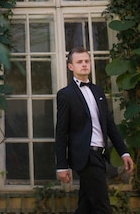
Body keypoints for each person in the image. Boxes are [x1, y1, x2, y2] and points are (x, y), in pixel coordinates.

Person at [55, 47, 134, 214]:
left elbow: (109, 124)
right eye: (79, 62)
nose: (84, 64)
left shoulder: (98, 91)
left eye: (86, 61)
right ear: (71, 67)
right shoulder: (65, 95)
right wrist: (61, 165)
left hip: (100, 154)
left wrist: (124, 152)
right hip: (86, 156)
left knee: (86, 206)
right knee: (102, 207)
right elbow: (61, 131)